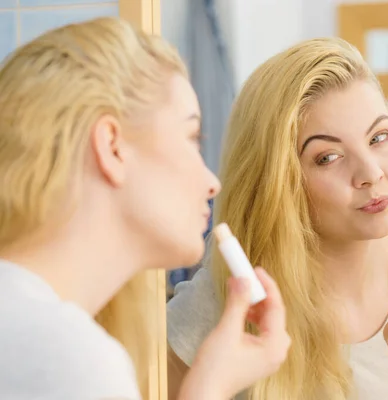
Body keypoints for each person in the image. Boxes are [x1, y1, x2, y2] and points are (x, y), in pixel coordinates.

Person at [167, 38, 388, 399]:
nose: (371, 173)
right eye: (328, 157)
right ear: (276, 183)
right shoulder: (224, 304)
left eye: (379, 137)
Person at [0, 17, 290, 400]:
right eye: (192, 138)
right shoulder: (68, 358)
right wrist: (212, 388)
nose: (212, 182)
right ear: (112, 146)